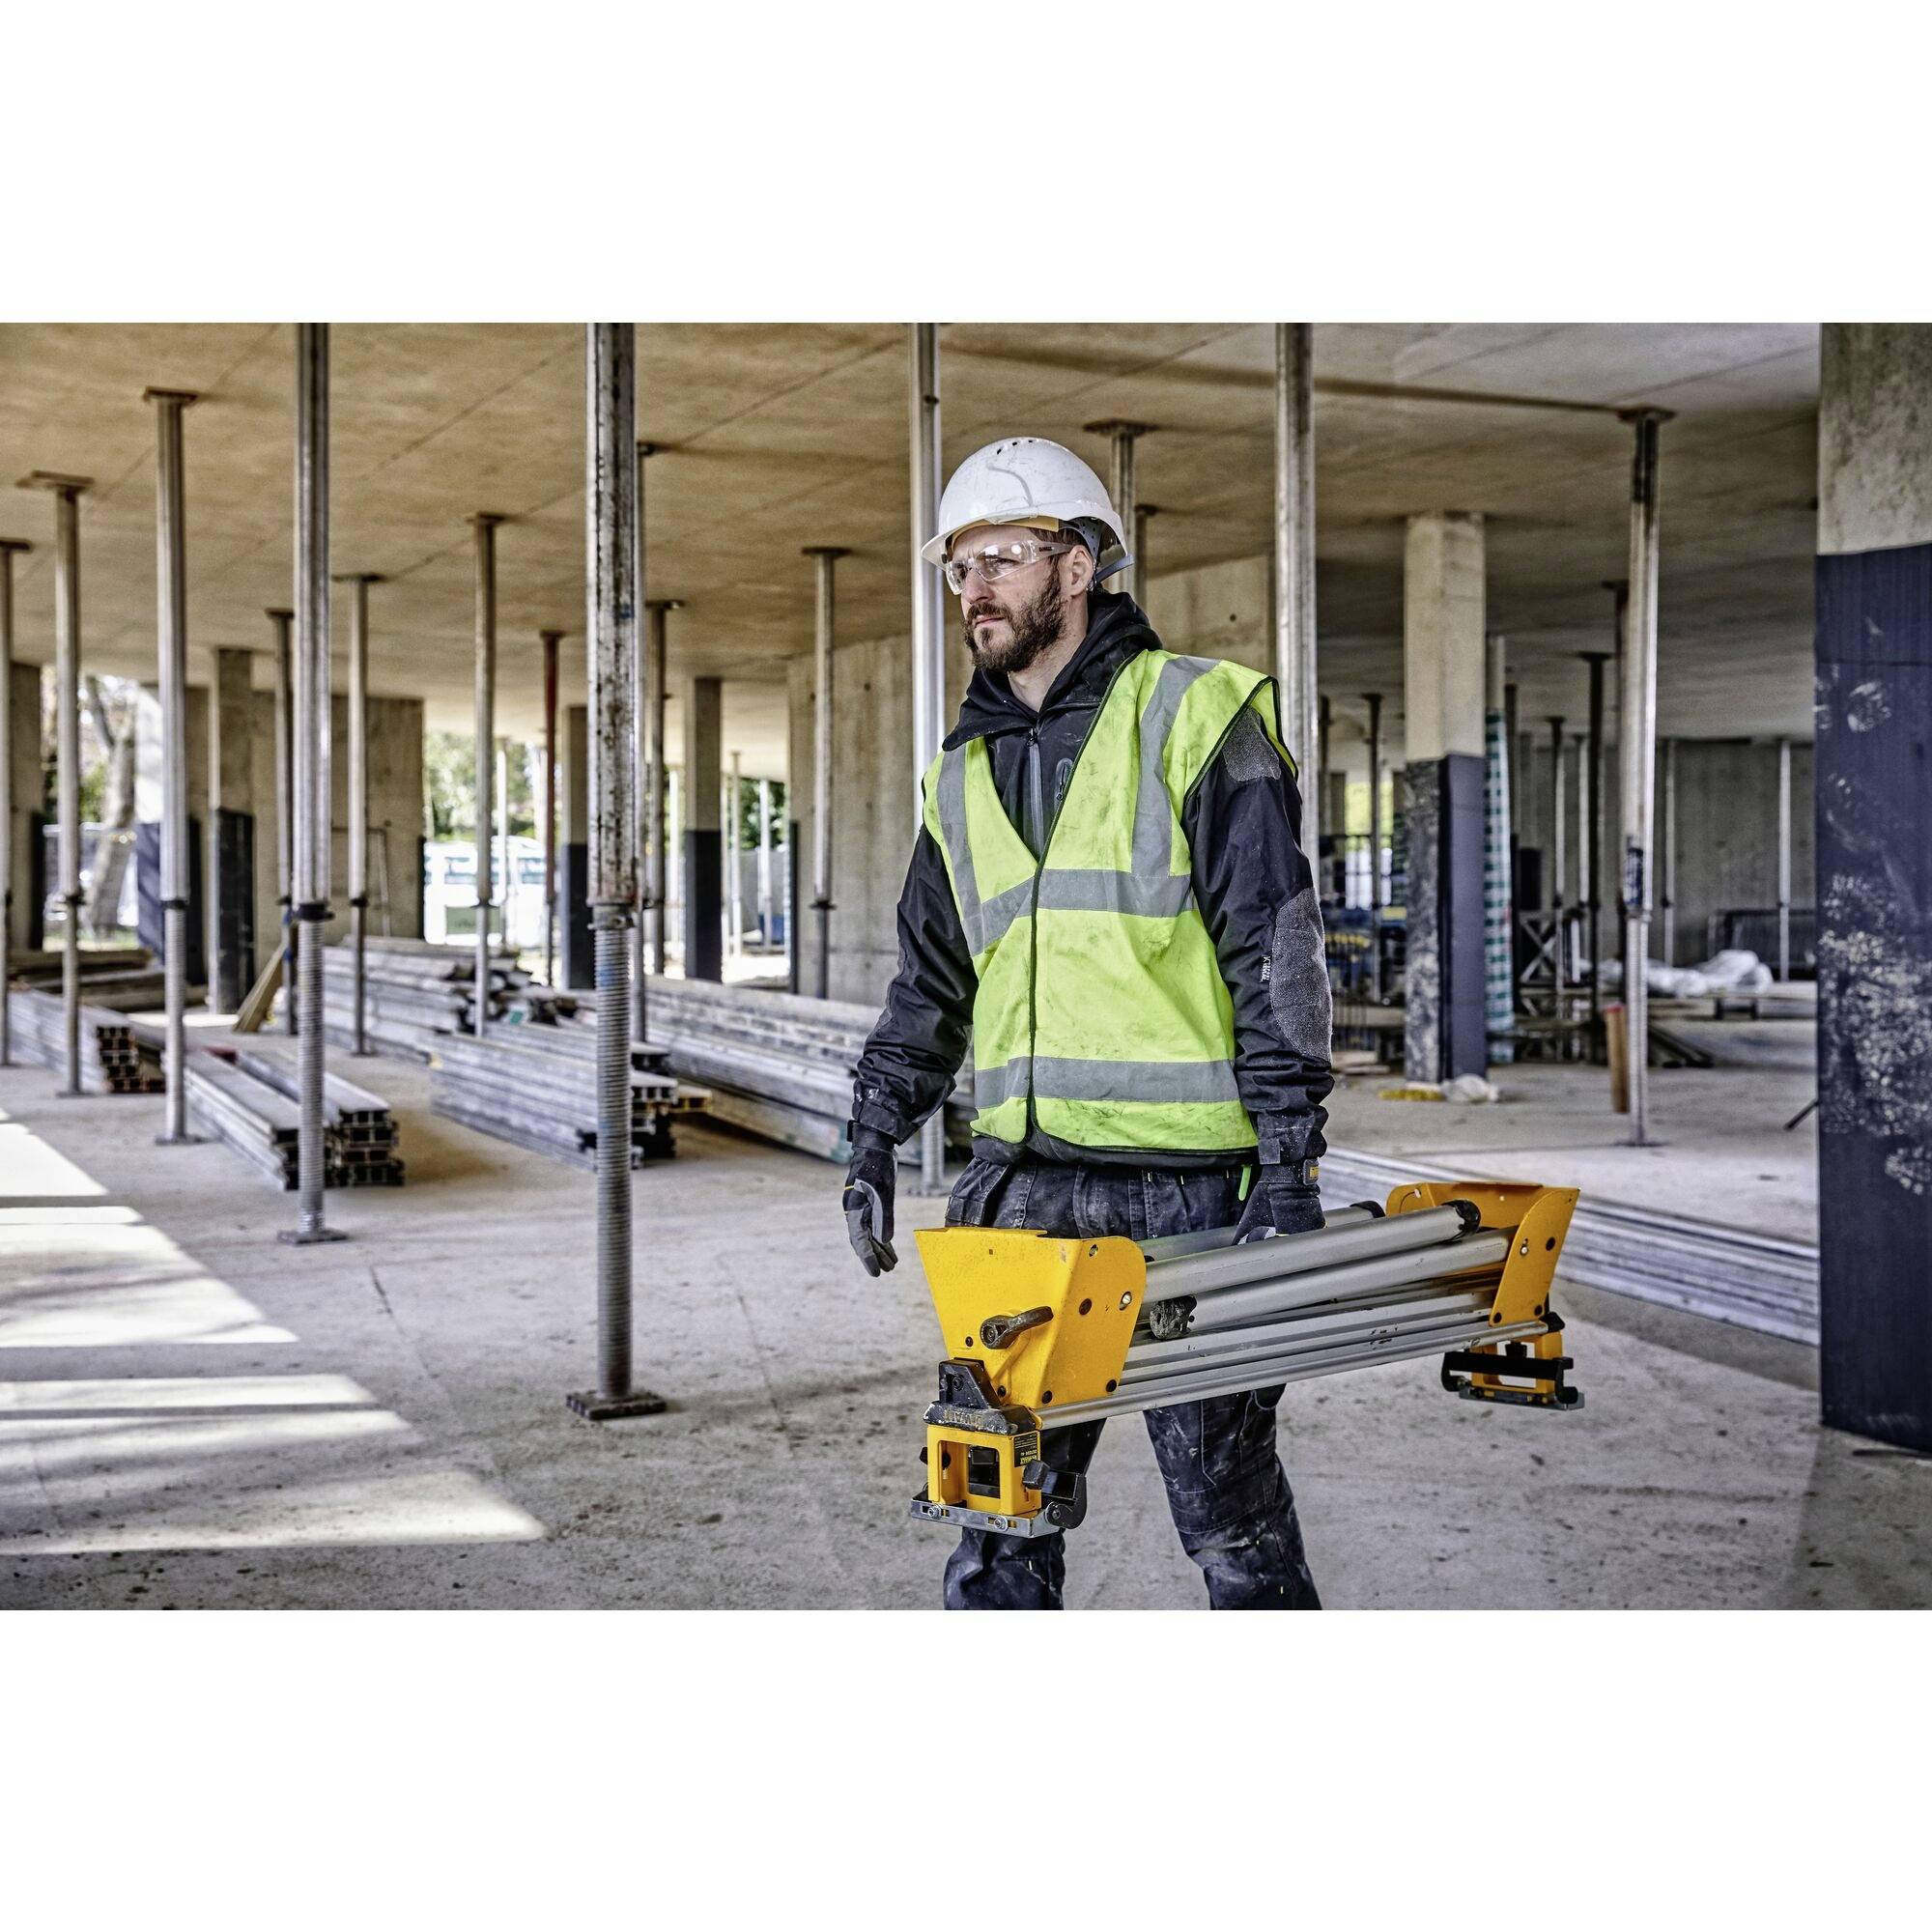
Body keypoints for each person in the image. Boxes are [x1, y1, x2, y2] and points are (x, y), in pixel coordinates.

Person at [842, 436, 1334, 1610]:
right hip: (1015, 1193)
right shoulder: (957, 773)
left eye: (1000, 559)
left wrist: (1288, 1162)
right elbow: (928, 979)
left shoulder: (1196, 717)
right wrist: (871, 1127)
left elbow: (1278, 951)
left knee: (1231, 1526)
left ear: (1080, 565)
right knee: (992, 1517)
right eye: (958, 568)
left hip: (1187, 1198)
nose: (974, 590)